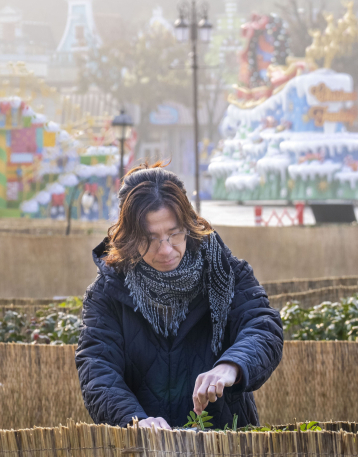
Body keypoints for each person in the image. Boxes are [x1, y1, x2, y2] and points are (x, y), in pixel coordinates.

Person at [76, 162, 283, 430]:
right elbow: (97, 368)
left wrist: (231, 366)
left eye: (174, 234)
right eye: (150, 238)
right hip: (143, 447)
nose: (165, 250)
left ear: (188, 225)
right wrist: (135, 421)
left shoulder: (226, 272)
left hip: (224, 442)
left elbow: (263, 328)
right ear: (128, 237)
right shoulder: (107, 292)